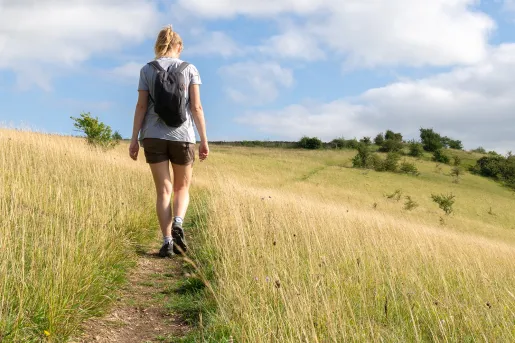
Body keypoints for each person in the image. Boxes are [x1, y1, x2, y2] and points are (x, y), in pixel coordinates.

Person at [129, 25, 209, 258]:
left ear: (158, 46)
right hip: (183, 136)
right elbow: (196, 107)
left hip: (153, 136)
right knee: (181, 187)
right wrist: (204, 139)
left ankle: (166, 242)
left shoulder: (147, 69)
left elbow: (141, 106)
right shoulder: (190, 68)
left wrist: (134, 139)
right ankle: (178, 223)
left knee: (163, 191)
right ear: (179, 47)